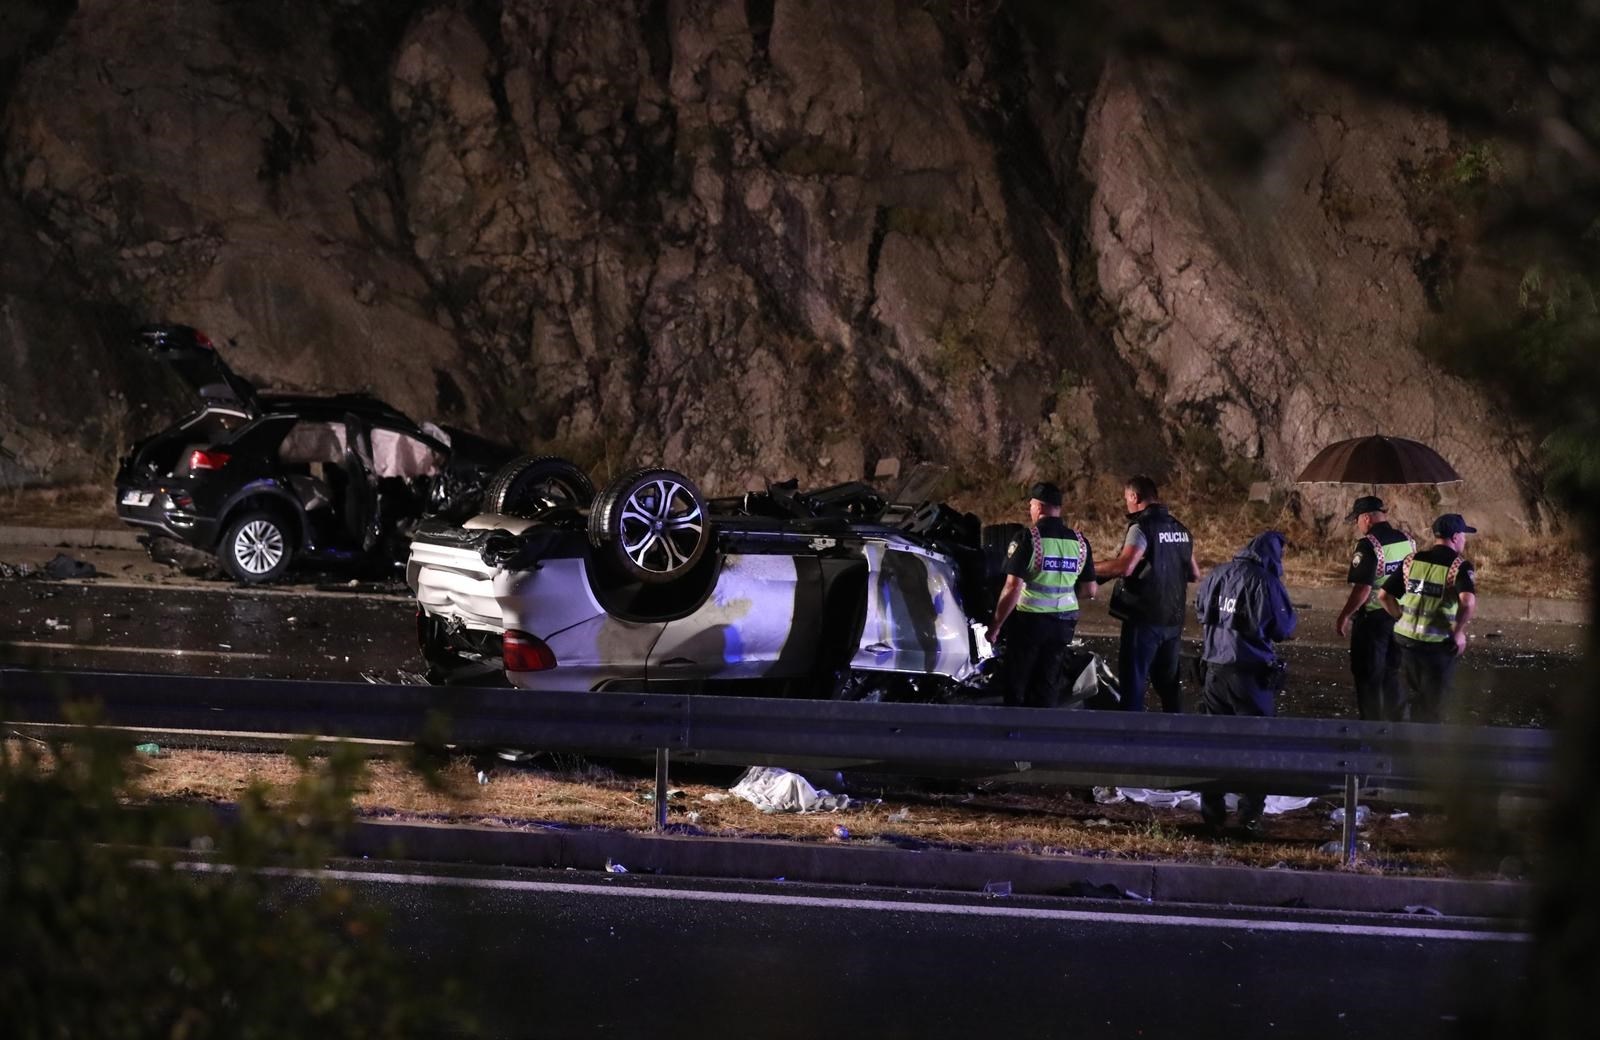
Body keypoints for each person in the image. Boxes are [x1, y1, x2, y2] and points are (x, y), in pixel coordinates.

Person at [1193, 531, 1298, 832]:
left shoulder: (1217, 574)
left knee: (1213, 743)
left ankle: (1212, 812)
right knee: (1257, 746)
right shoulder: (1266, 582)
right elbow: (1283, 627)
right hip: (1250, 674)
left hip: (1214, 670)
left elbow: (1202, 612)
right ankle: (1249, 815)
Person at [1095, 475, 1200, 712]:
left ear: (1134, 496)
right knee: (1169, 688)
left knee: (1133, 687)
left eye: (1126, 499)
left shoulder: (1142, 526)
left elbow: (1125, 566)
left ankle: (1130, 741)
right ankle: (1175, 739)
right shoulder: (1181, 529)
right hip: (1172, 621)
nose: (1126, 504)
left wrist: (1088, 567)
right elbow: (1194, 573)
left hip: (1144, 620)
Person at [988, 481, 1097, 708]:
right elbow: (1090, 590)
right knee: (1048, 683)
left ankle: (1013, 733)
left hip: (1031, 622)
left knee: (1018, 682)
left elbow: (1012, 587)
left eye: (1031, 505)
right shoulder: (1080, 542)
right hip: (1064, 624)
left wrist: (996, 626)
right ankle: (1042, 734)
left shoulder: (1029, 539)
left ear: (1038, 507)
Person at [1378, 513, 1478, 723]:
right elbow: (1468, 602)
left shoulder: (1411, 560)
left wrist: (1399, 616)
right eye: (1464, 536)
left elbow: (1384, 596)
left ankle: (1402, 745)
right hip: (1437, 646)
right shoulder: (1459, 567)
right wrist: (1458, 632)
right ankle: (1428, 749)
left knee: (1407, 698)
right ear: (1455, 537)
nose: (1464, 540)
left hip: (1405, 641)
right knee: (1435, 704)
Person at [1333, 495, 1415, 721]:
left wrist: (1344, 615)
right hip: (1400, 617)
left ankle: (1370, 726)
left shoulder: (1369, 545)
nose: (1357, 525)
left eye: (1357, 520)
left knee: (1367, 675)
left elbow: (1363, 589)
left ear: (1367, 518)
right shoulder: (1407, 540)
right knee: (1392, 672)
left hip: (1374, 620)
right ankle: (1398, 726)